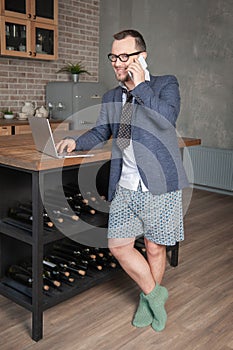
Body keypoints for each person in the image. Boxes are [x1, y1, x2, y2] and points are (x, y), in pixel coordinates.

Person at [56, 29, 189, 332]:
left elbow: (168, 118)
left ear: (142, 57)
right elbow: (102, 131)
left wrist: (141, 85)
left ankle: (146, 302)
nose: (116, 63)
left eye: (123, 56)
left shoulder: (165, 84)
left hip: (159, 182)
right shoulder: (112, 96)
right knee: (119, 246)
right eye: (113, 56)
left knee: (155, 248)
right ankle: (156, 294)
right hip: (125, 184)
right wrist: (76, 142)